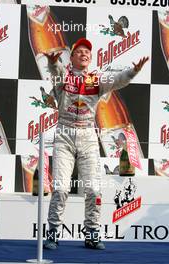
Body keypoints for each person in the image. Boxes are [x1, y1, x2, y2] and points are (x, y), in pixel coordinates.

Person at [43, 38, 149, 250]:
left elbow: (117, 81)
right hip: (64, 133)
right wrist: (53, 64)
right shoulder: (65, 75)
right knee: (61, 188)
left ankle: (92, 234)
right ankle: (52, 234)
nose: (84, 54)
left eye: (87, 52)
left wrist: (133, 71)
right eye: (79, 51)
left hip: (88, 135)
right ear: (71, 57)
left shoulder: (96, 79)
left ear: (90, 58)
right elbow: (56, 75)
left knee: (93, 189)